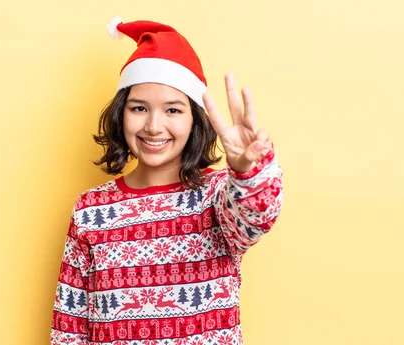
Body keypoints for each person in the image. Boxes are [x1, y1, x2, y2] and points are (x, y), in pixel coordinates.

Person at [50, 17, 283, 345]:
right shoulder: (90, 210)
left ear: (194, 120)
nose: (154, 126)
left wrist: (247, 172)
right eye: (139, 108)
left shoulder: (218, 197)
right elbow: (69, 328)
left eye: (173, 110)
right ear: (121, 113)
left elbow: (258, 216)